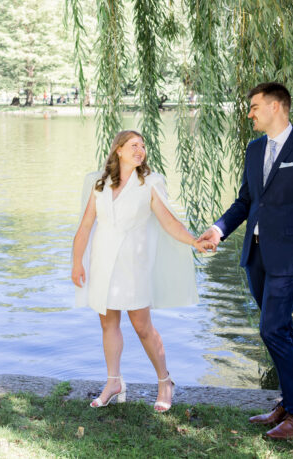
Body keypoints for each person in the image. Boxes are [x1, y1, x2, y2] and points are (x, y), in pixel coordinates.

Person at [198, 82, 293, 440]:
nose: (250, 113)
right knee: (280, 330)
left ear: (276, 107)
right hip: (256, 257)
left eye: (255, 106)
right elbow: (247, 202)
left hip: (291, 260)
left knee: (271, 328)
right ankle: (289, 404)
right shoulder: (254, 150)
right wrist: (218, 230)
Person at [71, 130, 213, 412]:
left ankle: (165, 381)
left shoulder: (149, 183)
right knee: (107, 323)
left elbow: (168, 221)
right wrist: (77, 262)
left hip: (133, 264)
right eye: (134, 145)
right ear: (119, 150)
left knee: (142, 326)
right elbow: (86, 225)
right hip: (102, 261)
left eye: (143, 146)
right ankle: (114, 382)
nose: (141, 150)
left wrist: (194, 241)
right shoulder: (99, 184)